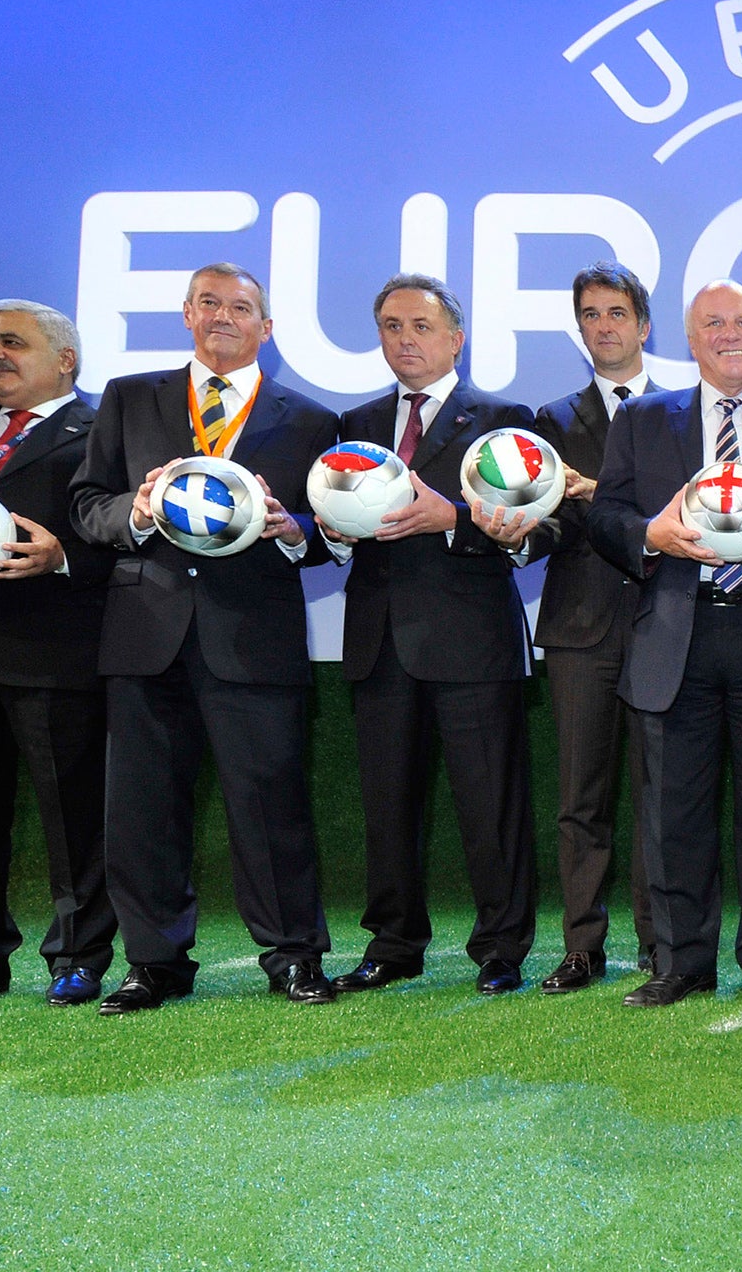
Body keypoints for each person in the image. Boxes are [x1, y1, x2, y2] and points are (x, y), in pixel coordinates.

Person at [70, 264, 339, 1012]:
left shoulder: (311, 420)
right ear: (186, 313)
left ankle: (293, 955)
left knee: (271, 804)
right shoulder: (130, 398)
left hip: (255, 639)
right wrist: (142, 507)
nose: (225, 316)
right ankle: (153, 962)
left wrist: (296, 532)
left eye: (242, 307)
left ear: (268, 327)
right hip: (145, 635)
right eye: (210, 303)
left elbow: (330, 532)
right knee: (141, 810)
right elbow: (88, 508)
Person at [586, 281, 742, 1007]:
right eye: (713, 323)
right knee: (672, 812)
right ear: (688, 341)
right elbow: (607, 515)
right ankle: (681, 961)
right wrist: (647, 535)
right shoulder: (644, 418)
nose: (729, 334)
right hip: (675, 636)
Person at [328, 274, 546, 997]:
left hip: (471, 639)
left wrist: (452, 518)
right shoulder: (353, 423)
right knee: (388, 806)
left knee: (492, 804)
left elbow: (535, 528)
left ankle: (501, 947)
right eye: (391, 326)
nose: (405, 340)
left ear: (456, 337)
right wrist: (330, 527)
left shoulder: (504, 417)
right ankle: (393, 945)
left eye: (421, 326)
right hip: (378, 640)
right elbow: (335, 525)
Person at [0, 300, 116, 1005]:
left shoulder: (105, 431)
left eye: (11, 342)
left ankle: (78, 955)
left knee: (73, 817)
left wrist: (64, 556)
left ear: (65, 359)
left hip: (56, 651)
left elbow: (124, 529)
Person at [528, 262, 661, 991]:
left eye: (616, 313)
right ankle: (583, 946)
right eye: (590, 315)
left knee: (660, 791)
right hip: (581, 627)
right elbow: (548, 523)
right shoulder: (551, 420)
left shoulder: (680, 409)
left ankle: (658, 940)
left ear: (643, 325)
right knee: (582, 797)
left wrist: (597, 493)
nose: (603, 326)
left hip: (665, 621)